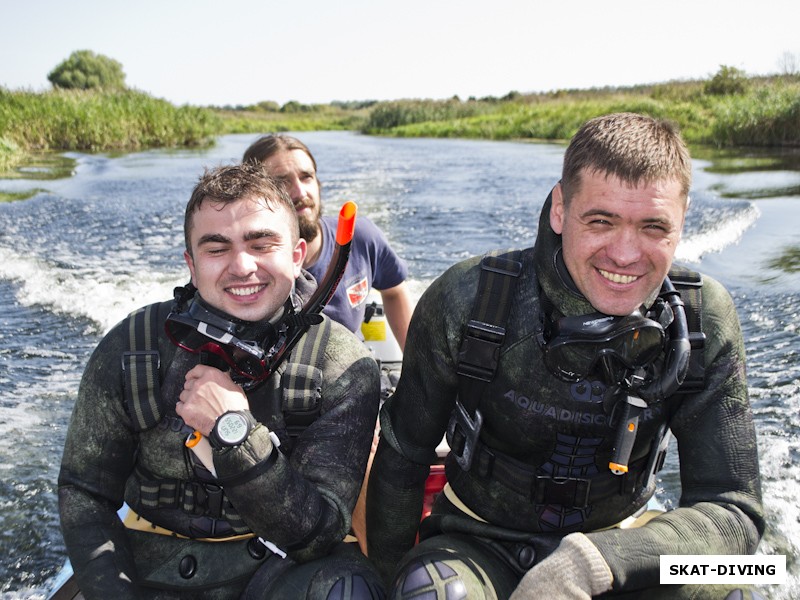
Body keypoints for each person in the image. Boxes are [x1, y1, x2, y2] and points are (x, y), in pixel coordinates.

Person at [366, 113, 764, 599]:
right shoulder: (468, 299)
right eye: (601, 221)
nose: (624, 254)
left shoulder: (705, 318)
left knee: (742, 583)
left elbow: (735, 515)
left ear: (682, 223)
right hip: (478, 541)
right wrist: (384, 579)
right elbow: (403, 455)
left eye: (653, 227)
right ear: (559, 209)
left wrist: (596, 562)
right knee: (428, 592)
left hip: (625, 541)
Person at [58, 163, 385, 599]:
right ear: (190, 265)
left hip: (279, 570)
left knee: (349, 589)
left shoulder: (341, 365)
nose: (242, 266)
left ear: (296, 254)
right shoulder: (131, 346)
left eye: (261, 243)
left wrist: (234, 431)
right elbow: (85, 493)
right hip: (143, 564)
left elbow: (318, 533)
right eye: (217, 249)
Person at [243, 134, 413, 351]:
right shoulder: (242, 266)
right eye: (281, 182)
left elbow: (395, 291)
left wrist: (417, 372)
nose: (301, 192)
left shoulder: (360, 237)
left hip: (355, 375)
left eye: (306, 177)